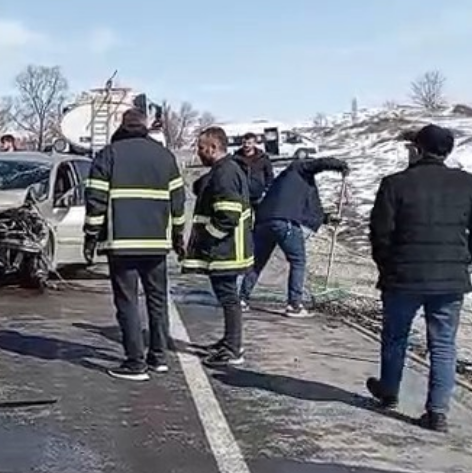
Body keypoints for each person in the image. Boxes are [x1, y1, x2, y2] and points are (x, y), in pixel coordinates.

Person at [365, 124, 472, 432]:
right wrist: (461, 258)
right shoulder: (469, 183)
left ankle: (389, 392)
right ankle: (437, 413)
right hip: (449, 280)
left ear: (418, 149)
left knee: (396, 337)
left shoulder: (395, 184)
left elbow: (380, 233)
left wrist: (388, 266)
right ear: (447, 152)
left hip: (403, 277)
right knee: (444, 344)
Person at [85, 110, 186, 381]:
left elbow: (95, 199)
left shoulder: (109, 154)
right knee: (157, 300)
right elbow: (178, 200)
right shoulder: (165, 157)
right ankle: (159, 357)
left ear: (122, 126)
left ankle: (135, 363)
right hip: (156, 244)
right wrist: (178, 235)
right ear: (144, 127)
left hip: (122, 243)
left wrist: (90, 235)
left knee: (127, 302)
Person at [238, 156, 350, 317]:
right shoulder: (299, 167)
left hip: (263, 222)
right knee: (298, 260)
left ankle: (242, 299)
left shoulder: (285, 182)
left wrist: (327, 218)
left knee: (257, 262)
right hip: (284, 222)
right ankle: (294, 305)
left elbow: (307, 211)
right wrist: (340, 166)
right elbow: (319, 163)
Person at [182, 126, 255, 368]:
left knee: (228, 298)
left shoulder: (225, 173)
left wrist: (208, 240)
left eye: (201, 148)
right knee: (227, 297)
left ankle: (233, 348)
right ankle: (230, 341)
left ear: (213, 148)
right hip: (227, 249)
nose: (199, 153)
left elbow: (227, 216)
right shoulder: (225, 170)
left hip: (226, 251)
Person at [234, 132, 275, 208]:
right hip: (242, 196)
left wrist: (266, 190)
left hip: (259, 196)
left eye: (249, 143)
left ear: (254, 143)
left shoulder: (263, 158)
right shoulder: (236, 159)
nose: (246, 145)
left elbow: (269, 175)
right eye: (244, 143)